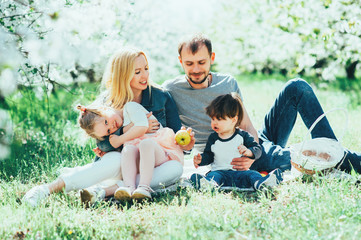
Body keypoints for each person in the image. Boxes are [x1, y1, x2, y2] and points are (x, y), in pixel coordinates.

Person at [162, 33, 361, 174]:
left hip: (250, 144)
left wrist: (254, 153)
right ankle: (342, 161)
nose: (196, 69)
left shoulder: (228, 82)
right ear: (180, 61)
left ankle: (334, 153)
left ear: (212, 59)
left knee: (297, 87)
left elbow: (246, 125)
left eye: (201, 62)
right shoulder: (171, 90)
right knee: (300, 156)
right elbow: (176, 140)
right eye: (189, 63)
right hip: (229, 156)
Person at [23, 48, 194, 207]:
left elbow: (175, 135)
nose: (145, 75)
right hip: (122, 162)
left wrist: (185, 144)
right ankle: (47, 189)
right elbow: (103, 145)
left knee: (175, 169)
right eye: (137, 72)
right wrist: (131, 129)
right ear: (123, 75)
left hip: (154, 163)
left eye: (146, 69)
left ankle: (105, 191)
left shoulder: (161, 96)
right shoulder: (107, 101)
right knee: (115, 160)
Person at [190, 93, 283, 190]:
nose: (214, 122)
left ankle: (261, 183)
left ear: (234, 120)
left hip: (240, 173)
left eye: (219, 119)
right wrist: (201, 160)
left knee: (252, 174)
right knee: (213, 176)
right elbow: (209, 156)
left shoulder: (243, 136)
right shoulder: (213, 138)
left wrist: (249, 152)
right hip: (220, 172)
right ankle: (209, 185)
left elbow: (258, 149)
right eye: (212, 119)